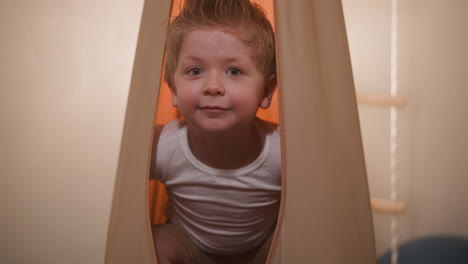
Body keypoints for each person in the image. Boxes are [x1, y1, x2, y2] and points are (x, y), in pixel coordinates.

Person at [150, 0, 281, 263]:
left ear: (266, 91)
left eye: (234, 71)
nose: (212, 86)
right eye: (195, 71)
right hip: (188, 246)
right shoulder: (162, 146)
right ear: (173, 89)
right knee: (154, 243)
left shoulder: (282, 151)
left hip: (264, 249)